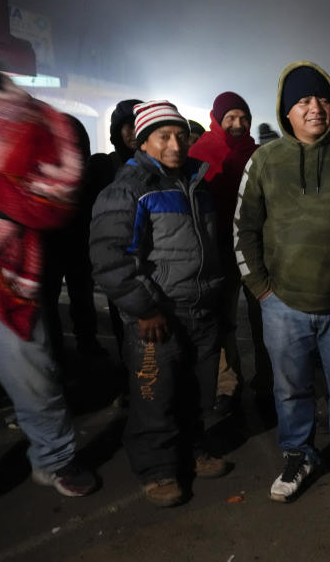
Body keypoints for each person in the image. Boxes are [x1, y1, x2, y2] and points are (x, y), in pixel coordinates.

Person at [235, 62, 330, 507]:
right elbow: (243, 227)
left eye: (322, 99)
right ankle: (298, 455)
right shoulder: (264, 160)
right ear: (286, 110)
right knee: (291, 389)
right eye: (303, 101)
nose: (315, 108)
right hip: (281, 302)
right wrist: (261, 288)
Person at [90, 100, 227, 507]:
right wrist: (145, 309)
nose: (175, 144)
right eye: (164, 136)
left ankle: (192, 448)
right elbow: (110, 256)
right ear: (144, 141)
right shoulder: (129, 188)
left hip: (200, 307)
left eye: (181, 136)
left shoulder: (195, 184)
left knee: (198, 391)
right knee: (155, 395)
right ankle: (158, 469)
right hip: (157, 314)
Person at [0, 68, 98, 499]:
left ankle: (54, 458)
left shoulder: (33, 117)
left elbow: (57, 194)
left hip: (6, 270)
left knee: (32, 370)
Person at [189, 91, 264, 416]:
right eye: (230, 117)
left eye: (243, 118)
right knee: (223, 323)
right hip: (218, 250)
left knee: (265, 320)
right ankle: (227, 385)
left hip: (257, 249)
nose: (238, 124)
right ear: (217, 119)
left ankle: (268, 379)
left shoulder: (260, 154)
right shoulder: (199, 153)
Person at [41, 115, 103, 358]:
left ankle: (71, 348)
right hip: (63, 242)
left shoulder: (52, 173)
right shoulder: (80, 175)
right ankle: (79, 346)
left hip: (66, 242)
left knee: (72, 299)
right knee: (67, 299)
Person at [87, 99, 143, 356]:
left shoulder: (165, 168)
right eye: (126, 126)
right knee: (126, 333)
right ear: (116, 131)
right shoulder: (104, 167)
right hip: (119, 265)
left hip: (155, 265)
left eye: (138, 124)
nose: (132, 132)